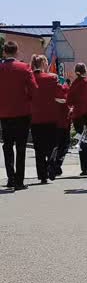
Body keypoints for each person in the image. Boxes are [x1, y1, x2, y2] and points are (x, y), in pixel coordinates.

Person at [0, 39, 37, 190]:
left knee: (7, 145)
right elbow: (34, 89)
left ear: (4, 52)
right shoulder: (24, 67)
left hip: (4, 113)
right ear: (17, 52)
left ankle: (10, 177)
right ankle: (19, 180)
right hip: (22, 112)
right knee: (21, 147)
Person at [30, 55, 66, 184]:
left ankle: (42, 175)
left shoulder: (30, 78)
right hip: (51, 116)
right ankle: (51, 164)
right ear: (44, 64)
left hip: (35, 117)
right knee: (52, 145)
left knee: (38, 148)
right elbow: (61, 95)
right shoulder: (52, 78)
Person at [67, 63, 87, 176]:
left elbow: (69, 101)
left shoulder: (74, 84)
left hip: (77, 116)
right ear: (85, 71)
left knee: (81, 140)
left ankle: (84, 167)